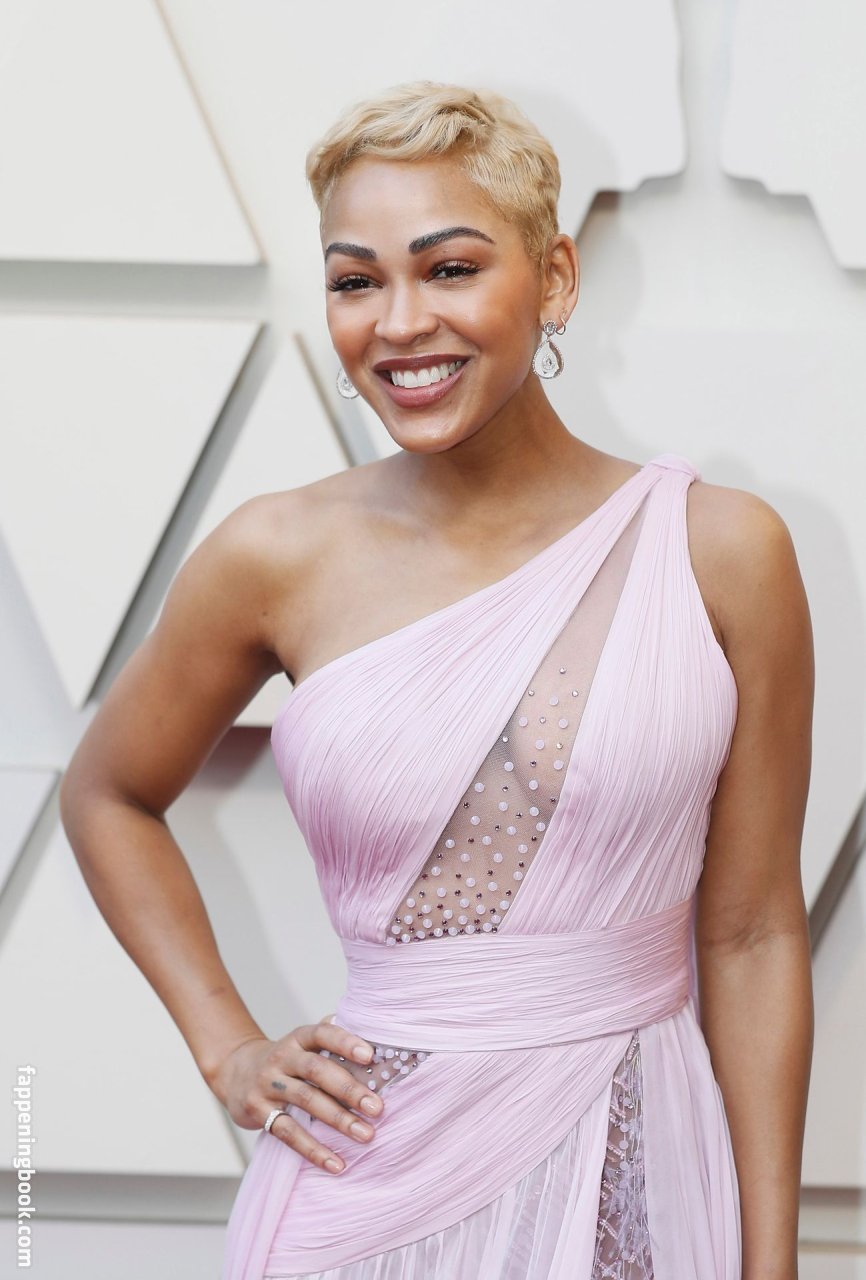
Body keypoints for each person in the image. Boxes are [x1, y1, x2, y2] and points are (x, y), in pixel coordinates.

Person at [60, 81, 814, 1280]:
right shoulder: (273, 556)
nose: (399, 322)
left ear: (553, 278)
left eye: (449, 268)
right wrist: (227, 1045)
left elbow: (753, 932)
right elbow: (106, 793)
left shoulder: (721, 550)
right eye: (355, 282)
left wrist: (767, 1261)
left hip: (638, 1183)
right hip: (363, 1191)